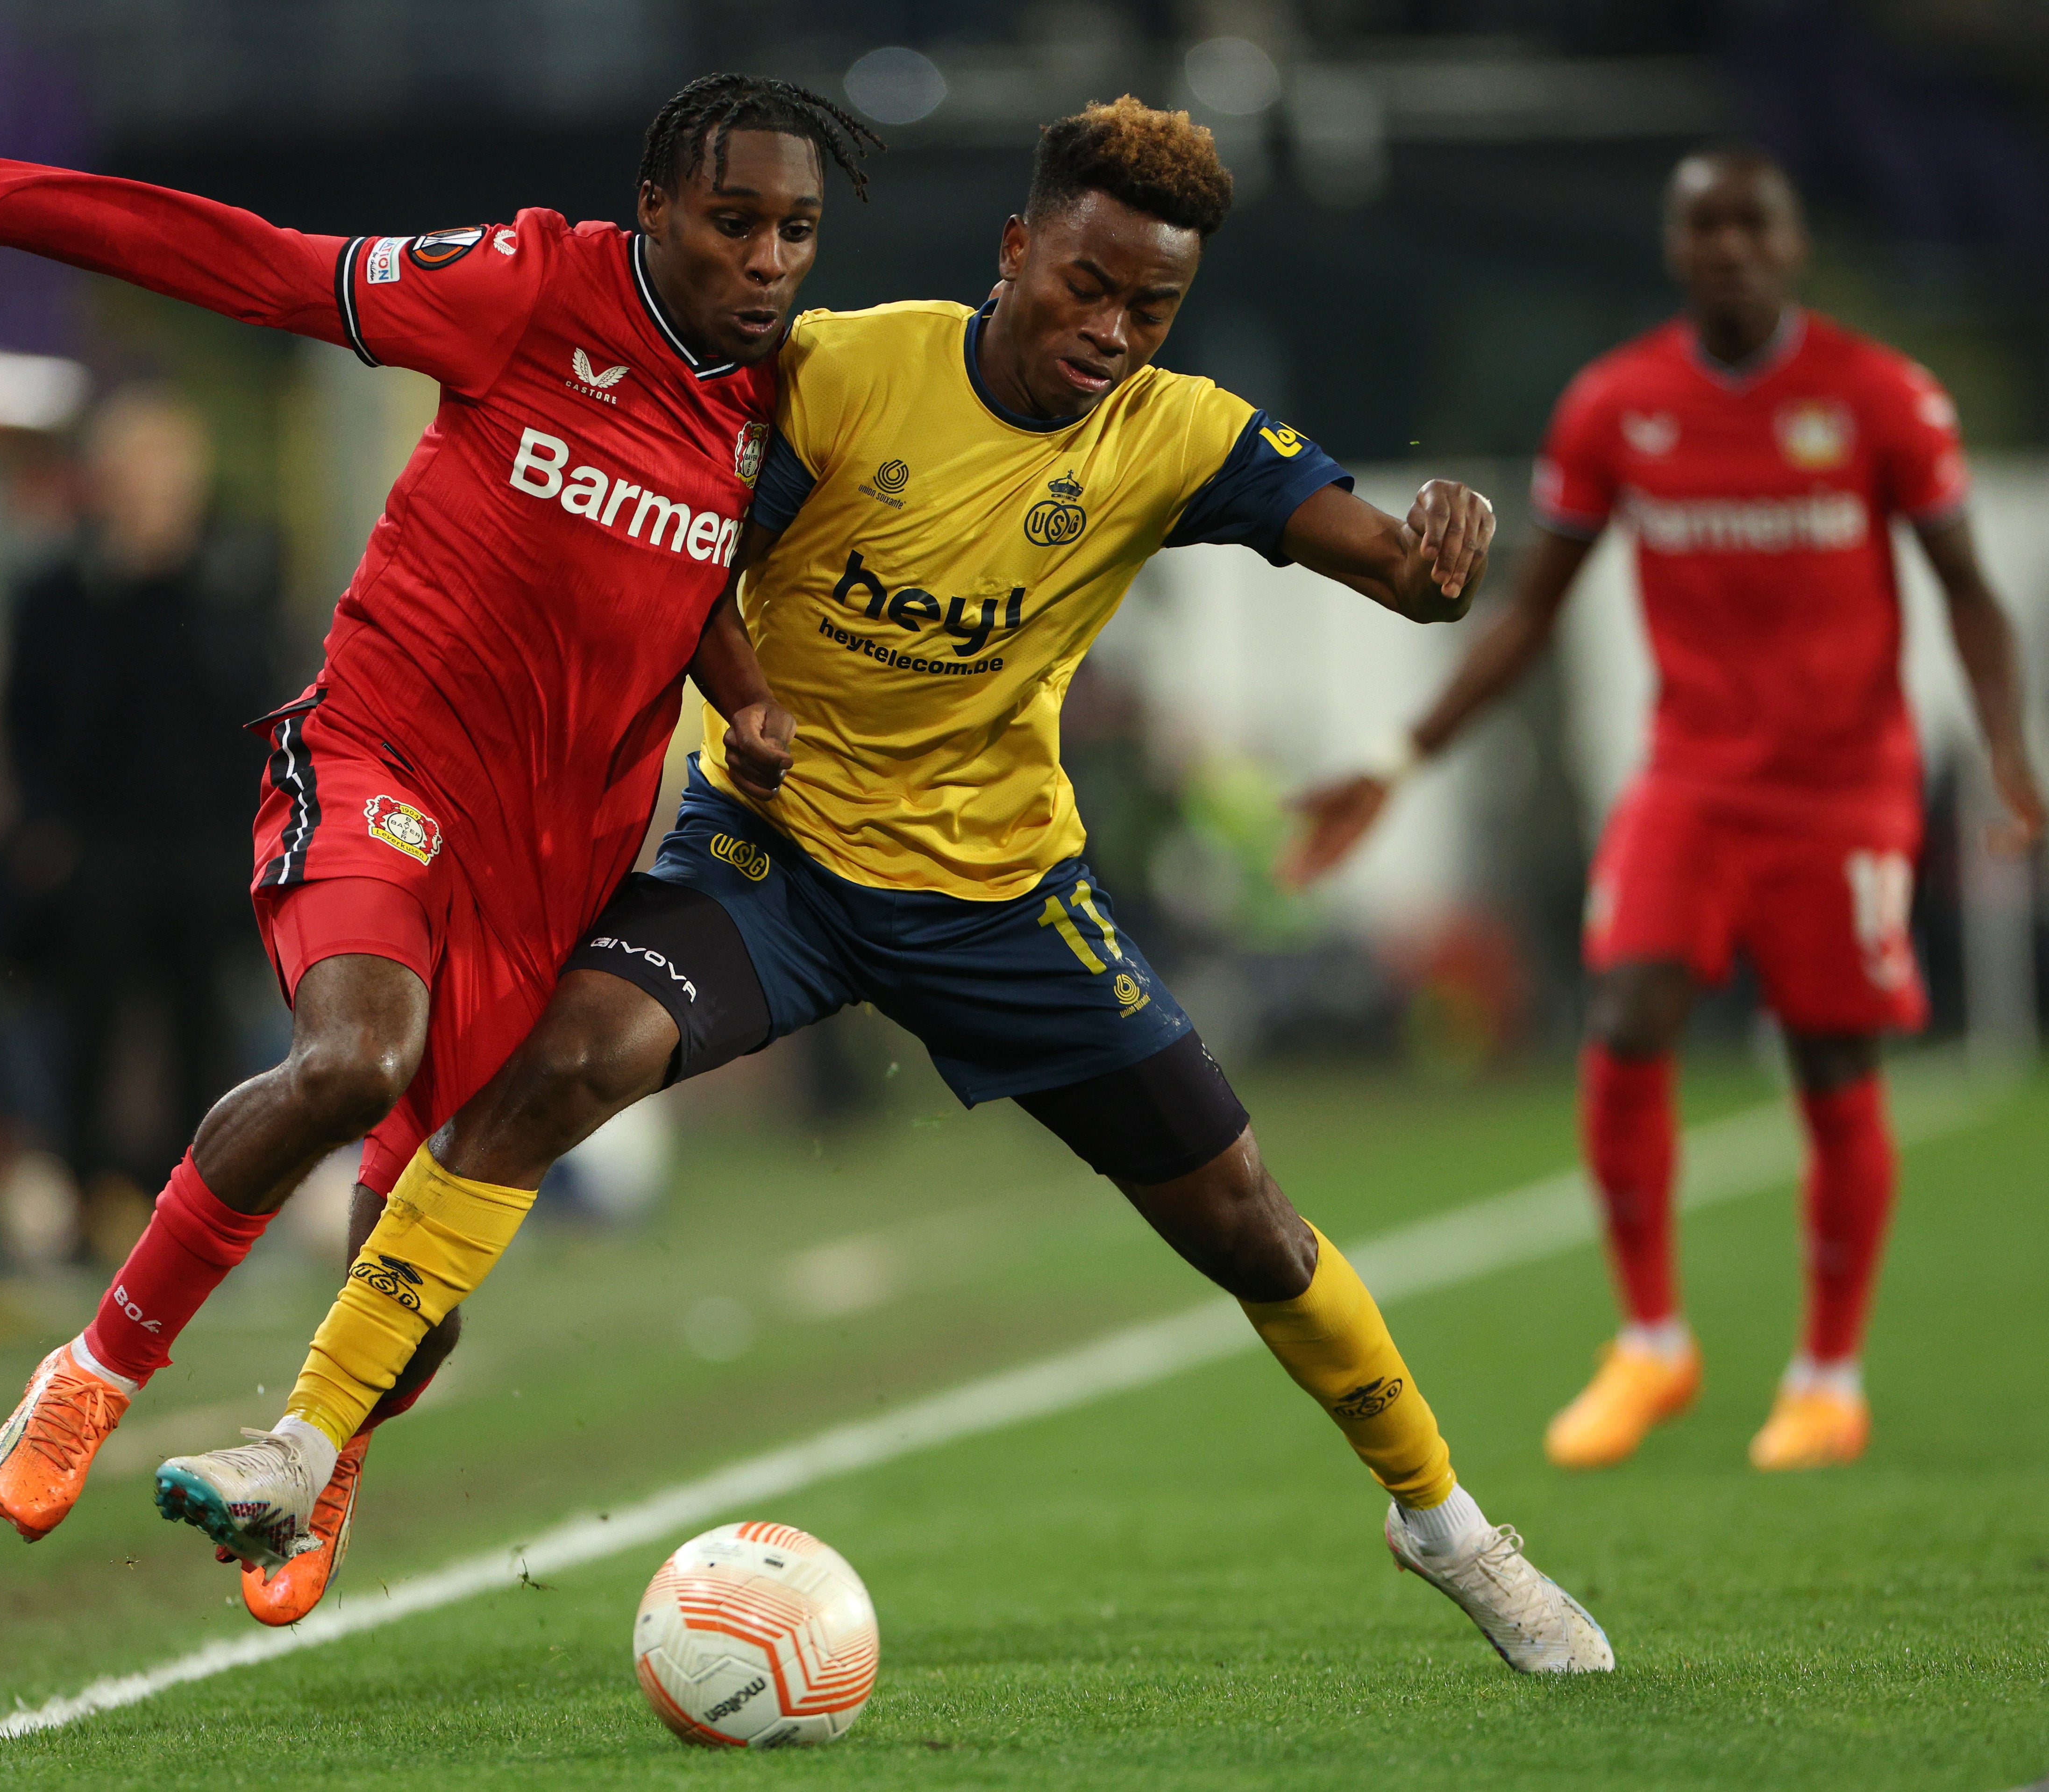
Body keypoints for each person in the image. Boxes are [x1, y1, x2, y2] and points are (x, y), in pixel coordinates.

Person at [228, 100, 1614, 1673]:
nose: (1108, 329)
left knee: (1247, 1224)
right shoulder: (838, 368)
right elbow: (691, 570)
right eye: (1084, 285)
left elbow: (1384, 558)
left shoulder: (1179, 433)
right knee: (555, 1072)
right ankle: (308, 1438)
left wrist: (1439, 556)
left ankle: (1445, 1523)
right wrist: (744, 704)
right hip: (778, 858)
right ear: (1016, 250)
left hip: (998, 889)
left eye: (1147, 307)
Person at [0, 67, 875, 1560]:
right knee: (353, 1060)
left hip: (556, 859)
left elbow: (678, 570)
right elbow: (256, 263)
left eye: (795, 233)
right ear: (655, 210)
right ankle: (93, 1372)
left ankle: (317, 1459)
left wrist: (748, 700)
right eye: (733, 222)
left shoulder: (777, 398)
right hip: (386, 760)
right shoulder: (524, 287)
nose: (764, 261)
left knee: (416, 1265)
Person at [1284, 147, 2043, 1473]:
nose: (1731, 249)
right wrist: (1399, 759)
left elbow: (1970, 588)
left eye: (1755, 225)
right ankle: (1650, 1341)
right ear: (1677, 250)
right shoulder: (1619, 405)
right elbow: (1531, 612)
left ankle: (1826, 1372)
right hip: (1688, 776)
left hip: (1841, 784)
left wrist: (2008, 757)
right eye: (1707, 229)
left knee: (1828, 1065)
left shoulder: (1880, 398)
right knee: (1625, 1011)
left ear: (1792, 242)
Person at [1, 387, 287, 1207]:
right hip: (97, 843)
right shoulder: (61, 594)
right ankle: (85, 1190)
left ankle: (203, 1201)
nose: (153, 494)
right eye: (135, 473)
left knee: (207, 1029)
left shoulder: (234, 582)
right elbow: (29, 720)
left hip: (207, 842)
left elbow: (256, 701)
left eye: (167, 473)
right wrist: (40, 822)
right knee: (90, 1026)